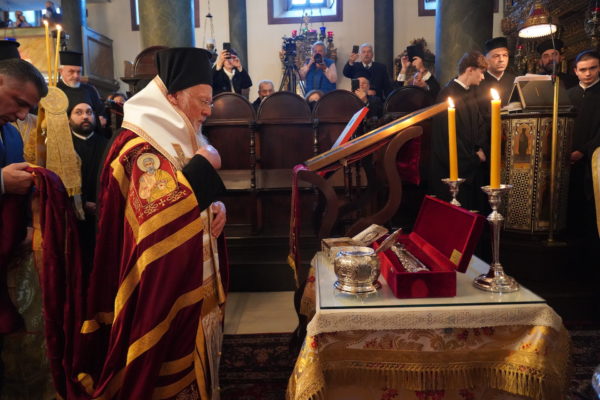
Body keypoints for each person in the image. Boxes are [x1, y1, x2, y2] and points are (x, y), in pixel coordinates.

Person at [73, 47, 228, 399]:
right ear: (172, 97)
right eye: (203, 101)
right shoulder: (138, 146)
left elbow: (188, 192)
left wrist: (217, 203)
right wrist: (206, 164)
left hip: (191, 277)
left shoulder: (180, 131)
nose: (208, 111)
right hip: (160, 289)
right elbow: (160, 217)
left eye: (210, 102)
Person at [429, 51, 488, 212]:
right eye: (481, 72)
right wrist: (473, 158)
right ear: (470, 70)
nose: (483, 77)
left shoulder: (469, 93)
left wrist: (480, 148)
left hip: (472, 163)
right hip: (454, 168)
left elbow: (480, 124)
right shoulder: (447, 95)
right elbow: (446, 136)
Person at [566, 50, 600, 264]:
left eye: (593, 68)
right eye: (583, 69)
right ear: (575, 71)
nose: (588, 73)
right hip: (568, 161)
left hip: (594, 161)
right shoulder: (568, 95)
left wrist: (584, 151)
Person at [68, 102, 108, 269]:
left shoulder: (107, 144)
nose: (85, 116)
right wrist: (81, 203)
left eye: (89, 112)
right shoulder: (63, 147)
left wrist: (101, 203)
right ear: (68, 119)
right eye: (78, 112)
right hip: (72, 218)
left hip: (102, 216)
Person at [57, 51, 107, 131]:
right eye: (71, 72)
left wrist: (101, 119)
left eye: (79, 72)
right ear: (61, 71)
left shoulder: (89, 90)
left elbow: (101, 112)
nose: (76, 76)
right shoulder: (56, 91)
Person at [478, 37, 516, 106]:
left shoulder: (514, 81)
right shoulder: (478, 81)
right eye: (496, 56)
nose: (501, 59)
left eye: (505, 55)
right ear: (485, 59)